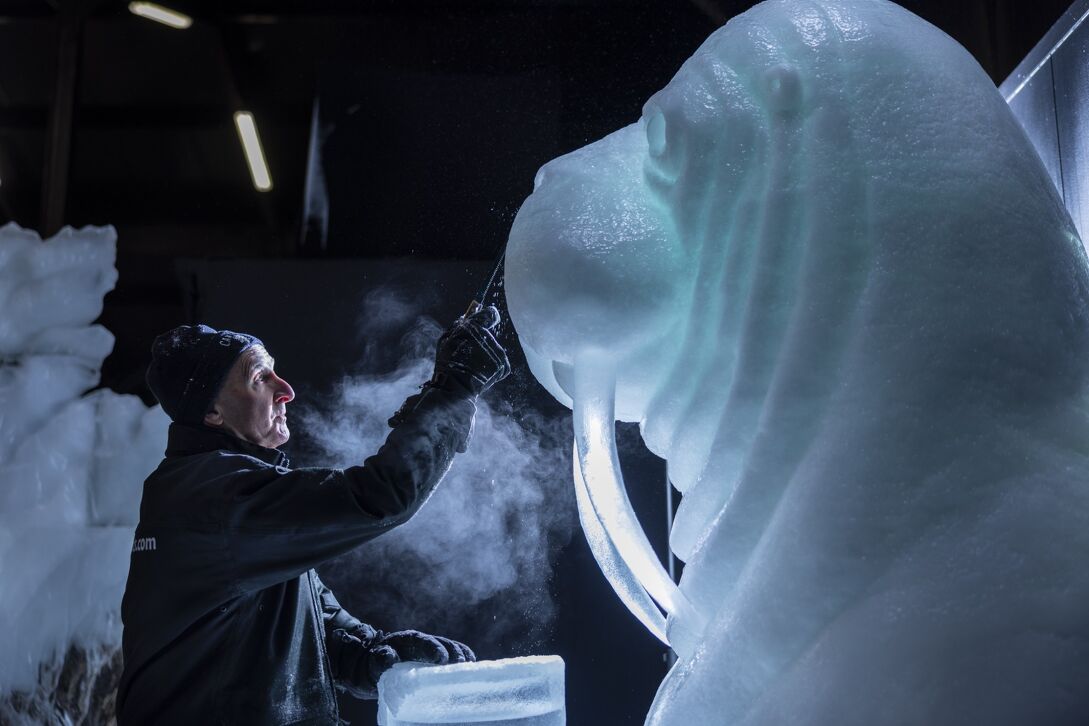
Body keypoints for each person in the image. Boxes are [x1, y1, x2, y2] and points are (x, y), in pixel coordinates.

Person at [116, 306, 510, 725]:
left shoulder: (224, 497)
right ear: (211, 412)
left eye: (274, 372)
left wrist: (373, 654)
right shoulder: (215, 498)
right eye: (259, 378)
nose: (285, 389)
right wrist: (453, 389)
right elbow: (379, 496)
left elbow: (309, 622)